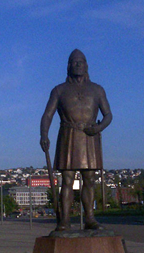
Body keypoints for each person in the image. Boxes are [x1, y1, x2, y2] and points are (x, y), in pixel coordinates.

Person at [40, 49, 112, 231]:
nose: (78, 64)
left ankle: (89, 218)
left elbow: (108, 115)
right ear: (69, 66)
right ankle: (64, 220)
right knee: (67, 179)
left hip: (90, 136)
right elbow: (47, 115)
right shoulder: (59, 90)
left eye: (82, 61)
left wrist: (98, 128)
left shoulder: (97, 89)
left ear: (86, 65)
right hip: (68, 136)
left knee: (89, 179)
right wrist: (44, 134)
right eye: (74, 62)